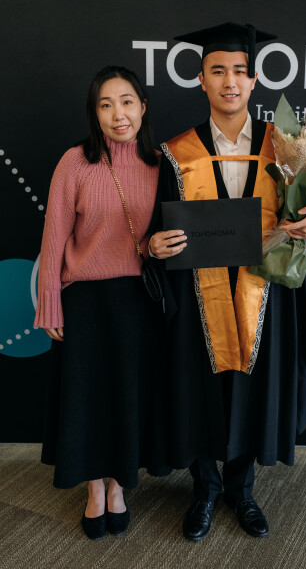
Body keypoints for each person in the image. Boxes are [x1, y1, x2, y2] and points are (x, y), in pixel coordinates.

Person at [150, 23, 306, 541]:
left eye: (239, 71)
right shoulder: (176, 152)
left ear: (254, 81)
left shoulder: (288, 147)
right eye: (217, 71)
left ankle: (242, 489)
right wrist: (153, 244)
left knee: (253, 389)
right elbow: (154, 225)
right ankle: (205, 489)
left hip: (264, 290)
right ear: (201, 80)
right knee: (200, 387)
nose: (229, 81)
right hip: (199, 292)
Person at [34, 66, 167, 540]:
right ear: (95, 113)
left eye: (127, 102)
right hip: (85, 301)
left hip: (137, 301)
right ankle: (94, 489)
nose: (118, 114)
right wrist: (50, 303)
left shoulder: (162, 165)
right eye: (105, 105)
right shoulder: (75, 162)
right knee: (87, 399)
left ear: (142, 107)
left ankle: (118, 487)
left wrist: (155, 246)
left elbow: (166, 235)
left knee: (126, 398)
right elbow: (54, 237)